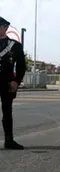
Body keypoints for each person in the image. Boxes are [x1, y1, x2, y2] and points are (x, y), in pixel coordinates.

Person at [0, 16, 26, 149]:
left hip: (7, 84)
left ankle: (9, 141)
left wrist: (16, 81)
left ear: (5, 28)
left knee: (7, 112)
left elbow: (22, 66)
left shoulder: (15, 46)